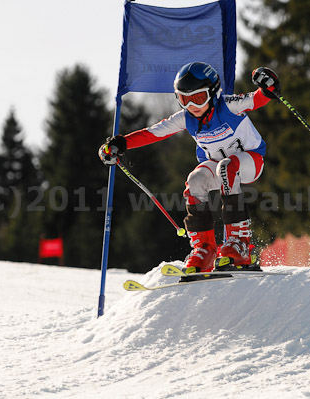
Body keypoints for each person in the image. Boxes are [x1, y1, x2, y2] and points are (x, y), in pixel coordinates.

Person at [99, 61, 279, 276]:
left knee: (227, 166)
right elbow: (153, 132)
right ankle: (205, 249)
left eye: (198, 98)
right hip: (220, 168)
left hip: (250, 161)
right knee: (195, 180)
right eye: (185, 100)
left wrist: (269, 85)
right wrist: (121, 144)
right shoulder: (185, 118)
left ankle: (239, 245)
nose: (192, 106)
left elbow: (257, 99)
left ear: (212, 93)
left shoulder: (229, 105)